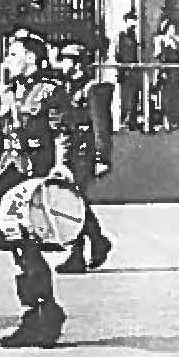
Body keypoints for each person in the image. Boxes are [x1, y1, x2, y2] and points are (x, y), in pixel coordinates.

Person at [0, 29, 78, 349]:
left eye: (14, 54)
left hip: (36, 181)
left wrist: (61, 167)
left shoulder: (50, 92)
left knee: (29, 248)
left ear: (32, 59)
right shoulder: (5, 94)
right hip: (9, 179)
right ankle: (38, 312)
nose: (7, 59)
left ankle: (41, 314)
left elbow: (63, 132)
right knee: (19, 249)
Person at [52, 43, 113, 276]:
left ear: (76, 63)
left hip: (84, 154)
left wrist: (101, 157)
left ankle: (81, 253)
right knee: (74, 202)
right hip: (70, 151)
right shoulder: (68, 89)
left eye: (66, 60)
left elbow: (101, 127)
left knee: (73, 203)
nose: (62, 65)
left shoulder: (92, 90)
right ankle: (96, 242)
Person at [154, 18, 179, 132]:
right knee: (165, 97)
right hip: (166, 72)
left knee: (176, 97)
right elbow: (158, 55)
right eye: (170, 28)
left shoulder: (177, 41)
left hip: (176, 72)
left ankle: (175, 120)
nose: (172, 30)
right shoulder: (160, 39)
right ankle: (165, 120)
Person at [112, 12, 142, 131]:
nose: (134, 23)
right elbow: (117, 54)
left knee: (134, 97)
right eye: (132, 20)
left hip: (134, 71)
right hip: (125, 72)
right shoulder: (121, 36)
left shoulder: (133, 35)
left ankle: (132, 120)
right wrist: (122, 69)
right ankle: (124, 120)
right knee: (125, 98)